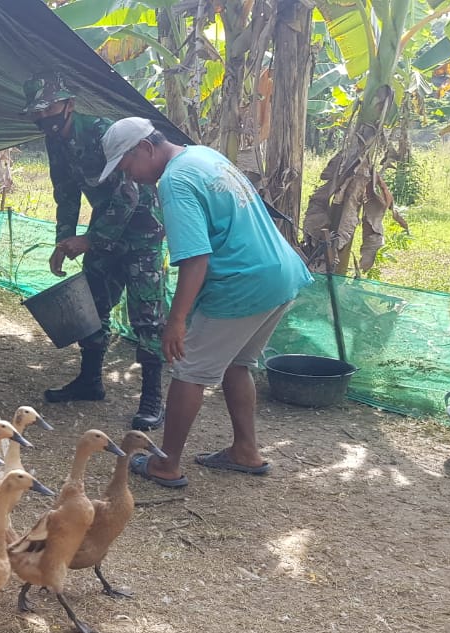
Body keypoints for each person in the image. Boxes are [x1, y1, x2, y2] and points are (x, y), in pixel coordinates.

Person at [96, 117, 312, 488]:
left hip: (243, 282)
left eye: (127, 165)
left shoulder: (175, 181)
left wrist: (176, 320)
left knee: (188, 371)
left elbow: (196, 258)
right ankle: (246, 451)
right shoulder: (203, 156)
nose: (127, 176)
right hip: (281, 274)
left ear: (145, 148)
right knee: (237, 364)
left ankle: (165, 464)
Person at [21, 71, 168, 431]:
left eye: (49, 109)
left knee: (147, 316)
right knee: (92, 305)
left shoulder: (104, 133)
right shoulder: (55, 142)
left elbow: (129, 194)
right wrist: (64, 240)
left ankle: (152, 398)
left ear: (69, 105)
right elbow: (65, 194)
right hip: (104, 235)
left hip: (142, 232)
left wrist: (89, 240)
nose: (44, 118)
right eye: (37, 113)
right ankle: (90, 381)